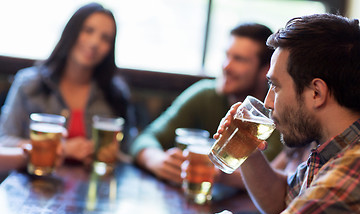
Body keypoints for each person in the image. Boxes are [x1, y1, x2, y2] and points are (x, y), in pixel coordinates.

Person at [203, 13, 360, 214]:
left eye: (275, 86)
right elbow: (283, 199)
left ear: (316, 92)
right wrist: (246, 147)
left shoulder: (352, 171)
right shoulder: (334, 152)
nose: (268, 101)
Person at [130, 23, 283, 186]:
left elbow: (273, 174)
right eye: (227, 55)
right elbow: (146, 137)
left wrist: (216, 172)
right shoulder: (205, 94)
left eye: (239, 59)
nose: (226, 66)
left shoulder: (276, 111)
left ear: (265, 70)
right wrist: (159, 161)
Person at [0, 3, 135, 165]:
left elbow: (129, 152)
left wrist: (103, 153)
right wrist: (58, 148)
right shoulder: (30, 83)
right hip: (35, 181)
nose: (94, 43)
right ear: (71, 31)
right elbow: (5, 140)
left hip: (92, 184)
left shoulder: (116, 93)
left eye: (105, 38)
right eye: (88, 30)